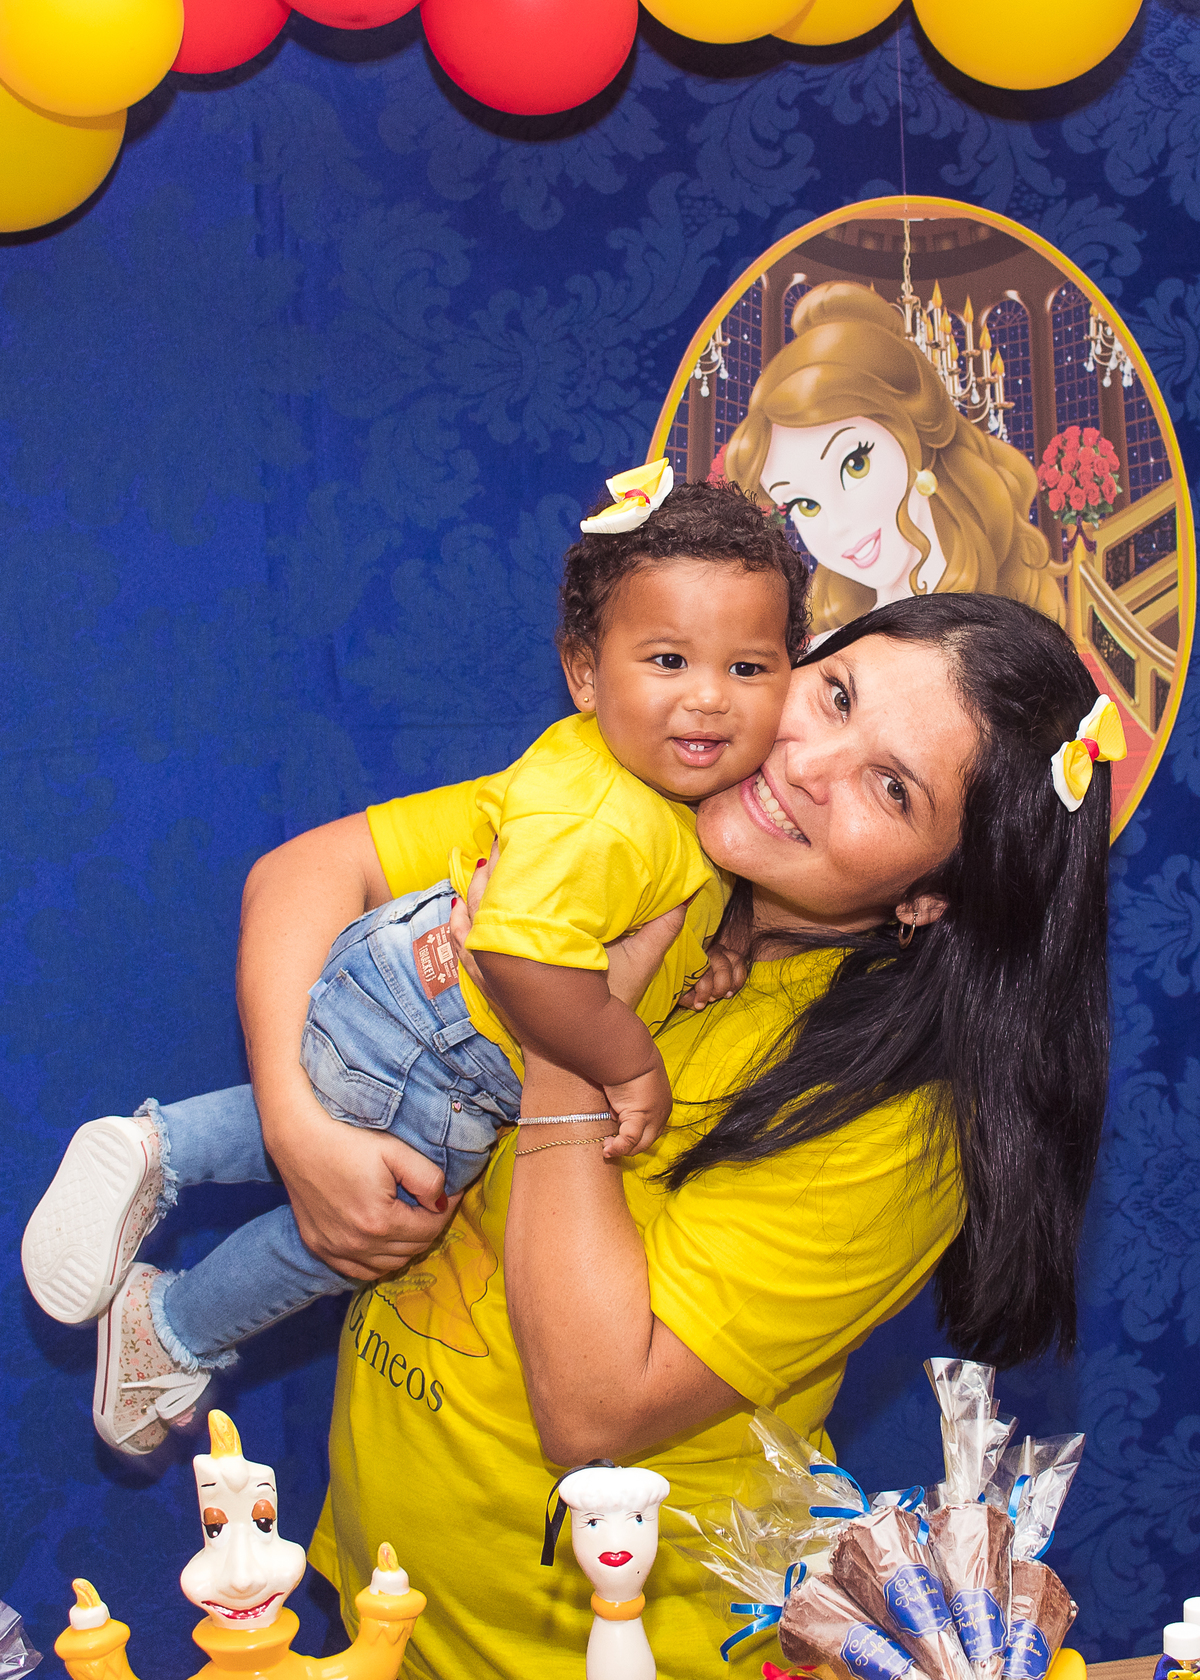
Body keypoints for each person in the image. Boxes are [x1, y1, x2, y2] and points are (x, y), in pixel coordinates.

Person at [231, 592, 1115, 1680]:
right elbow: (304, 877)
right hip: (383, 1610)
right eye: (835, 695)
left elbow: (593, 1408)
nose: (808, 763)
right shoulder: (624, 807)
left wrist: (565, 1027)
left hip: (614, 1651)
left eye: (892, 788)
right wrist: (299, 1132)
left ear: (931, 897)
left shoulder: (903, 1124)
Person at [21, 477, 808, 1459]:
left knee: (339, 1107)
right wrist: (629, 1063)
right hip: (454, 1035)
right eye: (667, 659)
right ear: (584, 671)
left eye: (747, 666)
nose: (708, 695)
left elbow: (664, 894)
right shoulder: (607, 820)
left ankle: (159, 1149)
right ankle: (174, 1327)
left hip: (402, 982)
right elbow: (520, 957)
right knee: (391, 1212)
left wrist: (719, 946)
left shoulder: (620, 778)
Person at [722, 281, 1065, 638]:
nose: (837, 524)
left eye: (855, 464)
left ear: (914, 440)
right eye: (805, 505)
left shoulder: (999, 626)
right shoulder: (830, 644)